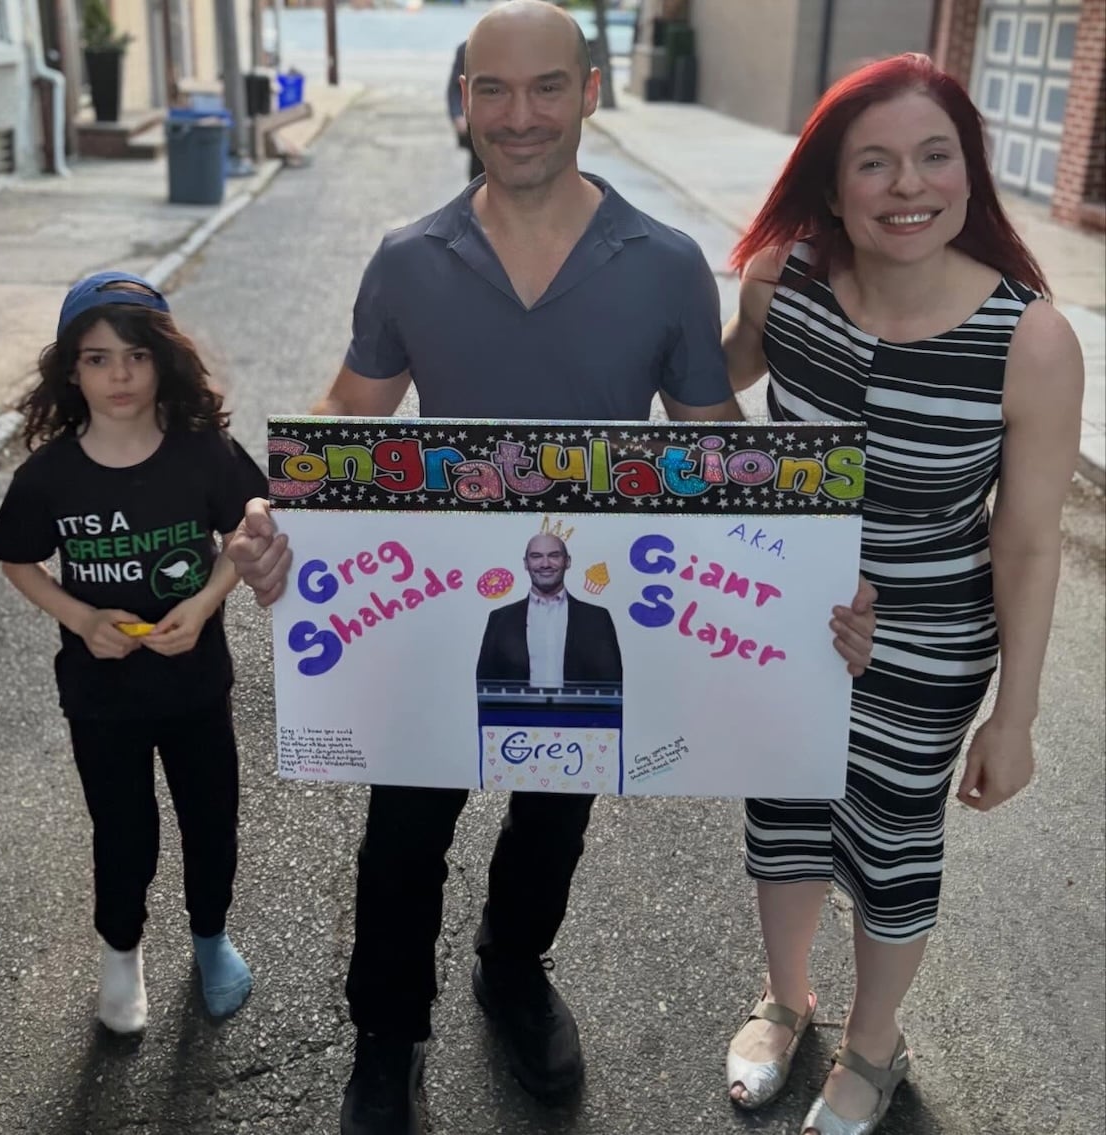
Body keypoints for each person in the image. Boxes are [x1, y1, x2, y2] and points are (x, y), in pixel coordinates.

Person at [228, 4, 875, 1133]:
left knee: (555, 814)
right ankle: (388, 1036)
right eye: (492, 90)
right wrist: (268, 512)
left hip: (587, 612)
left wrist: (812, 577)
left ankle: (511, 967)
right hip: (433, 617)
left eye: (544, 89)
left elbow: (712, 440)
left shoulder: (667, 264)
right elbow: (348, 417)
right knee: (402, 835)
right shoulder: (407, 259)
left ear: (589, 90)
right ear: (464, 97)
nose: (517, 116)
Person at [720, 53, 1083, 1134]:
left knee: (889, 838)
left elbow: (1024, 547)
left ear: (971, 174)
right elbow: (702, 394)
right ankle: (787, 998)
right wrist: (754, 542)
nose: (908, 184)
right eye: (872, 163)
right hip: (785, 619)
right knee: (783, 818)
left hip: (928, 642)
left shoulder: (1031, 341)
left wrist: (1013, 719)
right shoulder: (782, 280)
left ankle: (874, 1047)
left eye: (935, 156)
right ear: (831, 186)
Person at [0, 272, 267, 1035]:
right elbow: (16, 559)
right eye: (98, 358)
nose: (119, 375)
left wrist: (204, 604)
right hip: (102, 696)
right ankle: (121, 953)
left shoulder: (204, 453)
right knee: (122, 829)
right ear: (70, 370)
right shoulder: (49, 477)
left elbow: (248, 537)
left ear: (163, 362)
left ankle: (211, 939)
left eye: (136, 356)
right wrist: (80, 616)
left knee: (212, 820)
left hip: (196, 686)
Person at [476, 531, 622, 689]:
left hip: (579, 714)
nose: (545, 564)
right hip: (518, 714)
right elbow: (484, 682)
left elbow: (613, 682)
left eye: (554, 555)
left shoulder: (597, 619)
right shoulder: (500, 619)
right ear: (526, 563)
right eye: (536, 556)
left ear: (568, 561)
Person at [447, 39, 485, 182]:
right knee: (478, 172)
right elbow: (454, 88)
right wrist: (457, 115)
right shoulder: (466, 49)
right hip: (476, 124)